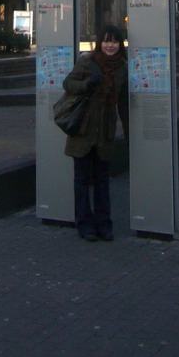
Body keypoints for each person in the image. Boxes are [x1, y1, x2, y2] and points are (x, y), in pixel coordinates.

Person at [62, 25, 129, 242]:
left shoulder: (122, 67)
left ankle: (104, 223)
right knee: (81, 180)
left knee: (102, 180)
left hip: (105, 131)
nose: (110, 45)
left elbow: (124, 103)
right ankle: (85, 224)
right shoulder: (87, 61)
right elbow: (68, 83)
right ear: (100, 42)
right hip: (84, 129)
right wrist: (86, 85)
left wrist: (128, 132)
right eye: (107, 41)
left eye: (115, 42)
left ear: (120, 44)